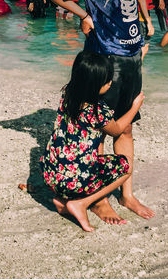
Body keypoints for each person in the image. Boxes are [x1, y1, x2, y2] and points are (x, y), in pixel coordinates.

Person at [37, 0, 163, 223]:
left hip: (133, 58)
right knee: (99, 132)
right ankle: (98, 199)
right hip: (106, 61)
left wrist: (145, 32)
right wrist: (83, 14)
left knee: (127, 127)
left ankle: (127, 194)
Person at [41, 52, 144, 232]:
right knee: (126, 167)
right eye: (107, 81)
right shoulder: (97, 111)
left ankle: (64, 201)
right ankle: (82, 203)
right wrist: (135, 106)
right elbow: (117, 129)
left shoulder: (67, 94)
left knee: (77, 163)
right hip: (75, 180)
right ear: (95, 85)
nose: (110, 83)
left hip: (51, 175)